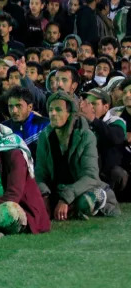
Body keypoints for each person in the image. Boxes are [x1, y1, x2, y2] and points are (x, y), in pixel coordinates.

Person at [35, 92, 119, 220]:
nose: (53, 114)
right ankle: (70, 210)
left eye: (58, 110)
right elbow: (40, 174)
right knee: (32, 203)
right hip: (57, 191)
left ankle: (89, 205)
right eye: (51, 110)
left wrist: (65, 199)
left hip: (84, 189)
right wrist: (44, 195)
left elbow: (90, 176)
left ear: (70, 114)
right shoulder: (44, 137)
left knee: (86, 201)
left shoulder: (86, 136)